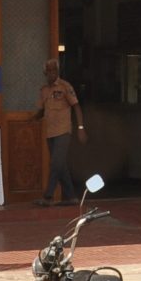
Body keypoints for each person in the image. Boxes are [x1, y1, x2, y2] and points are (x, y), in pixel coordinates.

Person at [38, 59, 86, 206]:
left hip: (63, 131)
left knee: (56, 163)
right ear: (45, 73)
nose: (51, 73)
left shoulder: (65, 87)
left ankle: (48, 196)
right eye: (49, 71)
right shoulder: (44, 90)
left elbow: (76, 107)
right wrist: (32, 118)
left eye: (54, 70)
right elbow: (42, 110)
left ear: (57, 72)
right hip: (50, 133)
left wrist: (80, 128)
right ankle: (71, 197)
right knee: (61, 165)